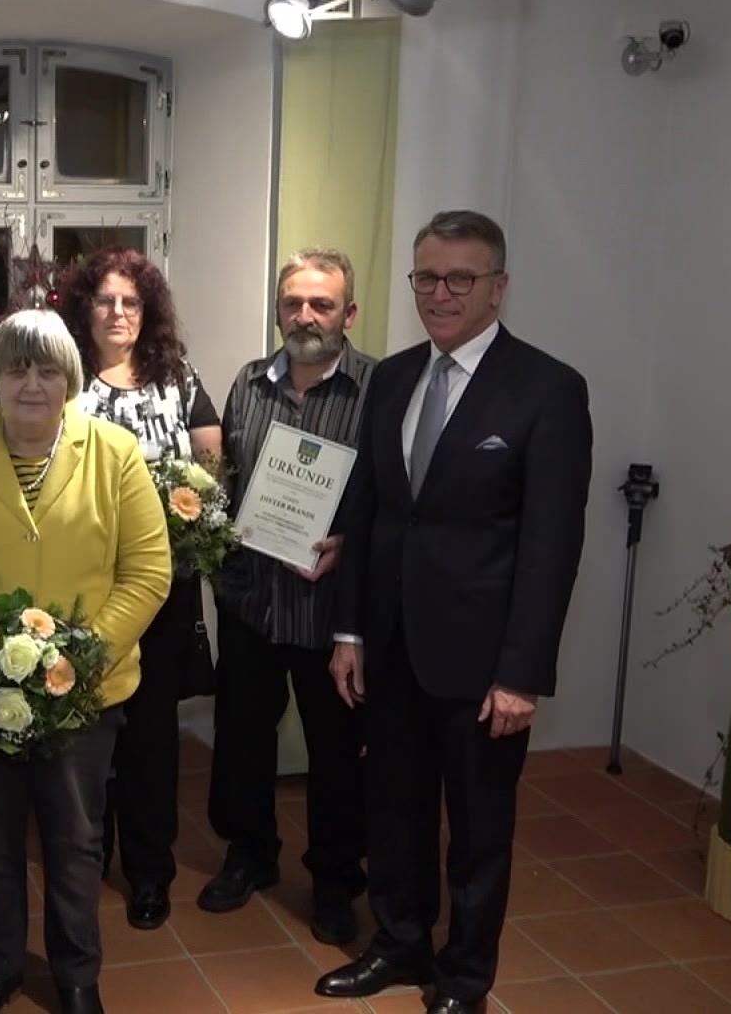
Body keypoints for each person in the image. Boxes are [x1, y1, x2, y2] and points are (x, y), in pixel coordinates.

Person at [317, 211, 593, 1014]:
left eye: (460, 279)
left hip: (482, 662)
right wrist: (349, 630)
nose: (439, 294)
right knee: (393, 810)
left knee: (477, 829)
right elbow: (369, 513)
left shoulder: (548, 390)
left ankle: (466, 977)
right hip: (392, 645)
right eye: (426, 278)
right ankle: (400, 943)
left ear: (497, 288)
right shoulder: (393, 378)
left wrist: (521, 674)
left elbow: (551, 547)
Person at [0, 309, 172, 1014]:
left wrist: (79, 659)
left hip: (87, 693)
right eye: (16, 368)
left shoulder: (116, 454)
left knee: (75, 842)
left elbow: (147, 571)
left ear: (69, 378)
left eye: (48, 369)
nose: (31, 384)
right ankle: (0, 967)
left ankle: (77, 976)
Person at [198, 249, 376, 945]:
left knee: (337, 754)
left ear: (348, 314)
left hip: (332, 615)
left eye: (321, 304)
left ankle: (334, 880)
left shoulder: (378, 389)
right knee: (242, 739)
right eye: (293, 303)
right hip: (253, 602)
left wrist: (349, 543)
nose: (305, 316)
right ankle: (250, 853)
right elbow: (229, 482)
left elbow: (393, 501)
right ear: (278, 310)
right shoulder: (248, 383)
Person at [53, 247, 220, 931]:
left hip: (162, 590)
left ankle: (151, 871)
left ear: (147, 310)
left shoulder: (176, 375)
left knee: (151, 736)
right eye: (105, 300)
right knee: (86, 727)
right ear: (83, 308)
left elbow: (211, 464)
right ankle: (90, 851)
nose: (118, 312)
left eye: (131, 301)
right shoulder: (62, 377)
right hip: (82, 589)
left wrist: (196, 508)